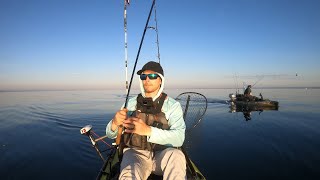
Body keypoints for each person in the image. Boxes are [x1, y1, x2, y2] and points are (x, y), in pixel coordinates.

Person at [105, 61, 186, 180]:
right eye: (143, 76)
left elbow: (179, 138)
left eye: (152, 76)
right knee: (128, 174)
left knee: (177, 155)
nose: (147, 79)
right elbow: (110, 134)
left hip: (161, 156)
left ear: (160, 80)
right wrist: (115, 123)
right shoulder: (130, 103)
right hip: (135, 155)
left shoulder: (173, 106)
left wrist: (148, 131)